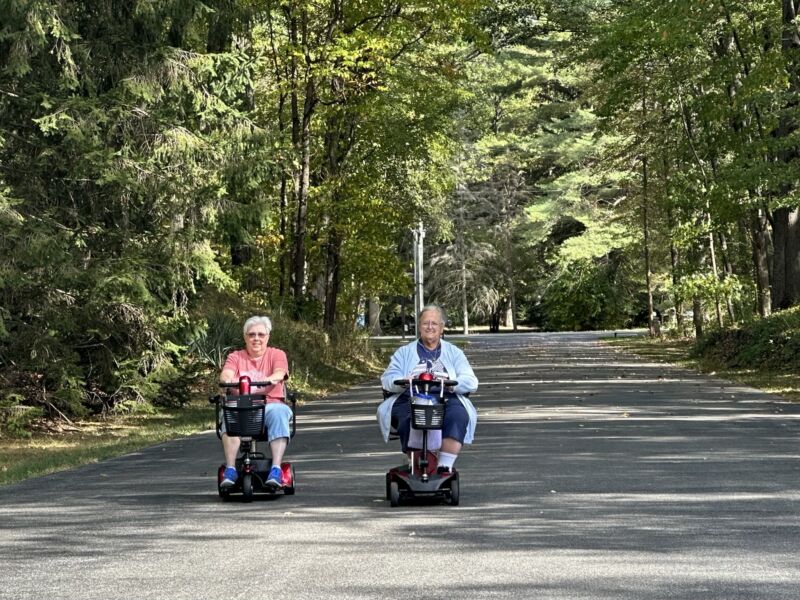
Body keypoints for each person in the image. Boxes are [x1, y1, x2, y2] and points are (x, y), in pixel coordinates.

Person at [377, 304, 478, 474]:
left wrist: (451, 383)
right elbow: (387, 379)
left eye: (434, 323)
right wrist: (401, 381)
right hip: (410, 396)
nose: (430, 327)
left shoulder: (455, 353)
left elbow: (471, 381)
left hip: (445, 397)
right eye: (425, 323)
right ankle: (418, 463)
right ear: (419, 326)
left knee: (457, 415)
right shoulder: (404, 352)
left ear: (441, 327)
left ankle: (444, 467)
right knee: (409, 416)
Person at [218, 315, 291, 489]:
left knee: (279, 412)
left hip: (269, 404)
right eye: (251, 335)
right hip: (241, 405)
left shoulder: (277, 354)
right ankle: (230, 468)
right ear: (245, 337)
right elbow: (226, 375)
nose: (256, 338)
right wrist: (229, 380)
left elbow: (280, 372)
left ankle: (275, 468)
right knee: (229, 411)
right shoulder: (236, 357)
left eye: (260, 334)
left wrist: (270, 379)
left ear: (268, 337)